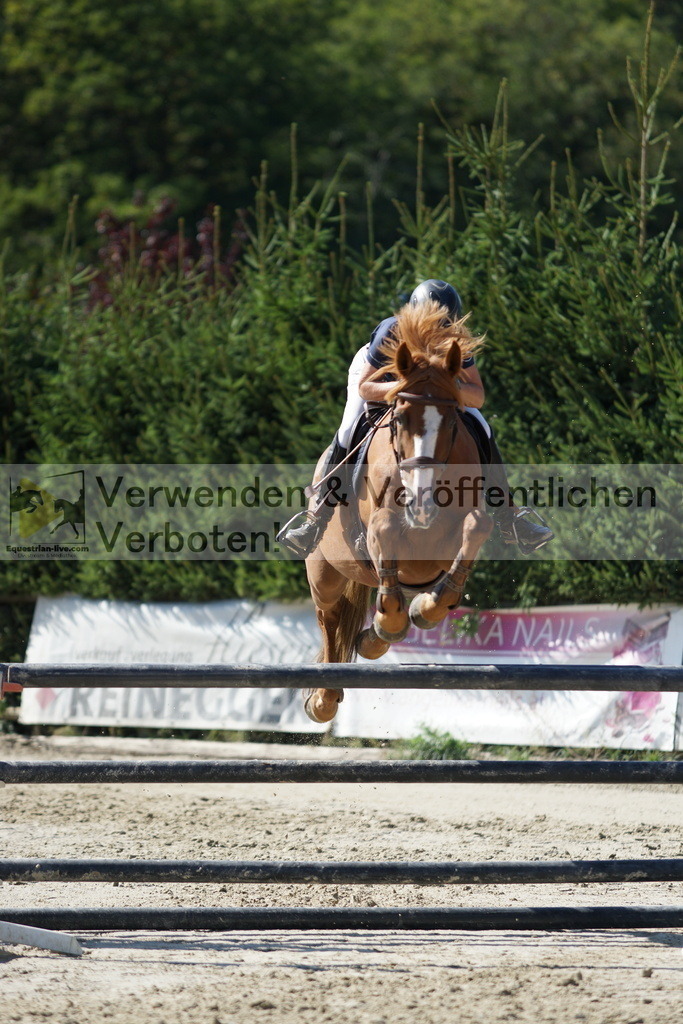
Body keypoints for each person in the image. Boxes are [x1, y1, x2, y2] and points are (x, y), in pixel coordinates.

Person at [279, 279, 553, 557]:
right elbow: (366, 387)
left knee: (482, 426)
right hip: (379, 378)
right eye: (436, 325)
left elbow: (477, 396)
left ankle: (511, 517)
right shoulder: (392, 331)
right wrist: (406, 388)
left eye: (447, 325)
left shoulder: (456, 337)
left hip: (433, 391)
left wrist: (443, 387)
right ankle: (316, 520)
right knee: (349, 429)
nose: (442, 332)